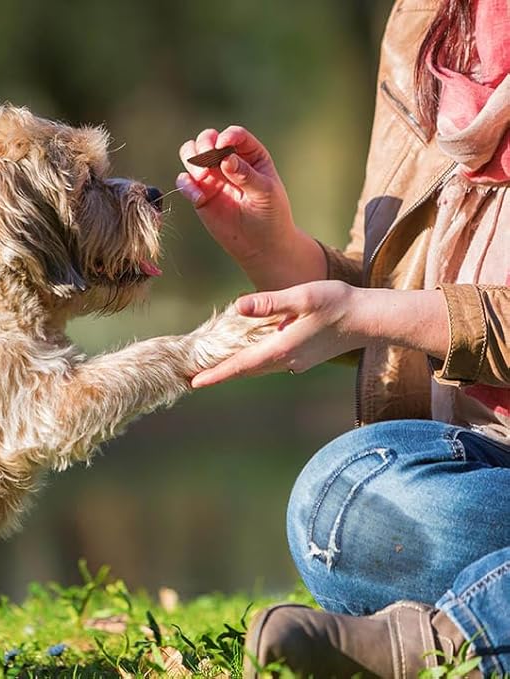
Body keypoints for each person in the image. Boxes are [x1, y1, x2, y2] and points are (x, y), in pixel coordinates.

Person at [176, 0, 509, 676]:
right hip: (483, 477)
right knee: (337, 504)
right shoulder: (428, 21)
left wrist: (364, 311)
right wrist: (275, 249)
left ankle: (449, 641)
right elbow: (388, 286)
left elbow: (377, 310)